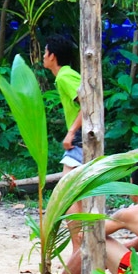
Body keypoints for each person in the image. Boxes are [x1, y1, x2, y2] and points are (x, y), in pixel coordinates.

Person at [40, 155, 138, 274]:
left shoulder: (131, 213)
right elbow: (137, 244)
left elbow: (87, 235)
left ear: (132, 185)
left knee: (93, 240)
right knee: (104, 244)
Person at [43, 35, 83, 174]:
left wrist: (71, 132)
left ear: (52, 56)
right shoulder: (66, 75)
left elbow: (89, 106)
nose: (43, 56)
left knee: (67, 187)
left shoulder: (64, 77)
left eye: (45, 52)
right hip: (83, 133)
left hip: (81, 135)